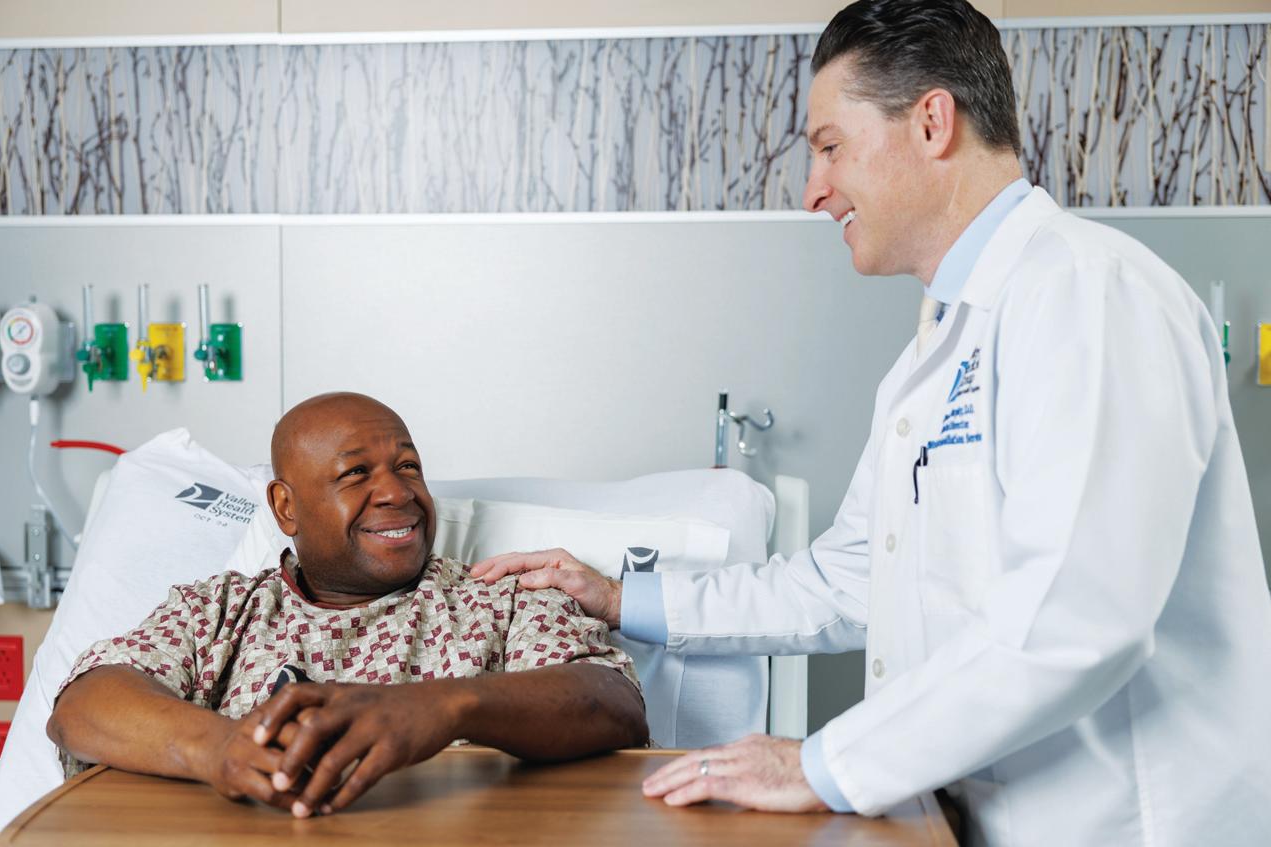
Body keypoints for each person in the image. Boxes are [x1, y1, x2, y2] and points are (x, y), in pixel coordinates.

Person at [470, 2, 1271, 844]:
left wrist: (820, 763)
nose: (813, 191)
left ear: (931, 123)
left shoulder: (1086, 293)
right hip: (982, 818)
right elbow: (846, 579)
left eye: (829, 147)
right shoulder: (934, 353)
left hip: (1127, 824)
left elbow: (1078, 616)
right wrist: (620, 596)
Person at [47, 392, 647, 819]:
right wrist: (221, 748)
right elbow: (85, 705)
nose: (396, 492)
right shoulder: (220, 611)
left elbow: (612, 702)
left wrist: (445, 707)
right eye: (356, 473)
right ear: (286, 508)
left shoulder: (502, 597)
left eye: (408, 466)